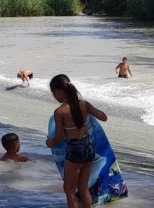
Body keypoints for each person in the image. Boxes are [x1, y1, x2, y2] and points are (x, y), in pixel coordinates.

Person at [45, 74, 108, 208]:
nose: (54, 96)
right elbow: (104, 117)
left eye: (53, 93)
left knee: (69, 190)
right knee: (83, 187)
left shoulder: (60, 111)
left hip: (75, 148)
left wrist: (49, 143)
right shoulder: (84, 104)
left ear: (58, 91)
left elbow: (58, 137)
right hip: (89, 145)